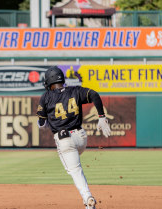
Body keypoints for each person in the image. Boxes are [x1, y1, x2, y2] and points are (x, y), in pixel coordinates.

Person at [36, 66, 111, 209]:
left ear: (49, 82)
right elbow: (94, 94)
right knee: (74, 158)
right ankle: (86, 199)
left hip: (65, 140)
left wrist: (45, 120)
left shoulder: (46, 97)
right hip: (81, 137)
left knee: (75, 170)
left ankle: (88, 198)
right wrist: (101, 116)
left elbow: (41, 123)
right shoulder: (75, 90)